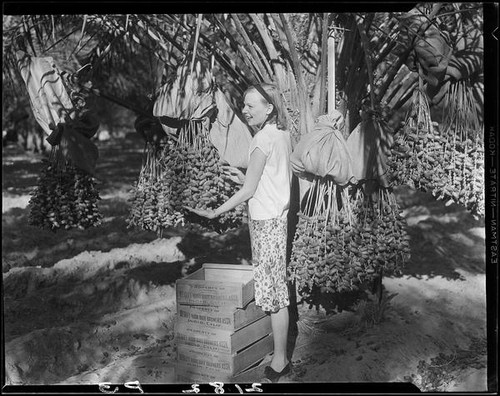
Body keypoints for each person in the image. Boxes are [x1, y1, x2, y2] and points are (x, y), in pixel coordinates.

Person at [185, 83, 293, 382]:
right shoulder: (282, 135)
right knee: (275, 289)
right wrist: (245, 176)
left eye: (250, 106)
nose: (244, 111)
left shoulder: (260, 140)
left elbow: (248, 191)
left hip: (266, 223)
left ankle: (281, 360)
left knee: (273, 294)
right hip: (277, 218)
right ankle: (280, 351)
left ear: (268, 107)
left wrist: (215, 211)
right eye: (243, 106)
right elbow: (267, 177)